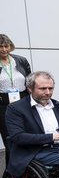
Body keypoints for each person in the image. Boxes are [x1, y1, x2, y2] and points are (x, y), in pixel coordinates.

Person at [0, 34, 31, 164]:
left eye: (6, 46)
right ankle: (13, 167)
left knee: (27, 131)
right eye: (0, 46)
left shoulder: (21, 60)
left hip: (23, 99)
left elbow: (30, 79)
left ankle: (29, 165)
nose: (3, 49)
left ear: (10, 46)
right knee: (10, 136)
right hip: (4, 103)